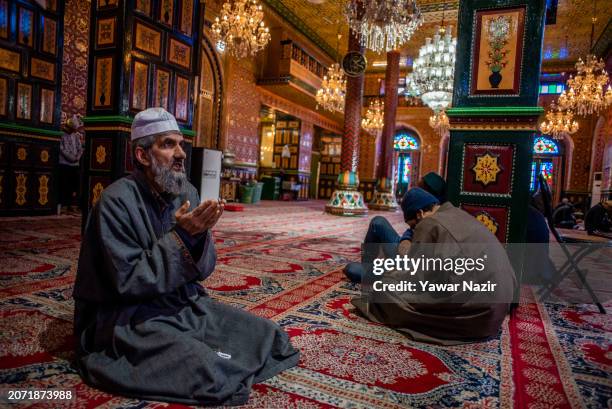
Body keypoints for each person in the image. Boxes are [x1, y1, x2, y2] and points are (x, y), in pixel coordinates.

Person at [72, 108, 299, 406]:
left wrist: (198, 236)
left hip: (180, 303)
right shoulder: (115, 202)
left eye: (180, 144)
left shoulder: (184, 191)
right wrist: (182, 236)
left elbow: (203, 269)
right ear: (142, 155)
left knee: (269, 336)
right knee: (206, 368)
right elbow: (127, 282)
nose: (181, 153)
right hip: (126, 315)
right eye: (168, 144)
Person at [350, 188, 517, 344]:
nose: (414, 230)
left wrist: (388, 276)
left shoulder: (428, 224)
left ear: (420, 213)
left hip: (474, 315)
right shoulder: (457, 213)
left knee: (383, 290)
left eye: (413, 226)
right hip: (497, 310)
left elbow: (413, 278)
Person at [58, 114, 84, 213]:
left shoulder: (76, 136)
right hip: (64, 164)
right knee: (64, 185)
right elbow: (61, 149)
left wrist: (77, 157)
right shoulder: (61, 135)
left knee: (74, 186)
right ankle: (64, 205)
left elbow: (80, 148)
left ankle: (72, 204)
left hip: (75, 165)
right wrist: (71, 158)